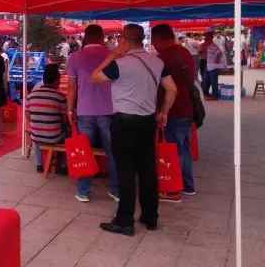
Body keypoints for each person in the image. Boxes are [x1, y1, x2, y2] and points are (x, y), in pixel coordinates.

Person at [91, 24, 177, 236]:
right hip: (148, 122)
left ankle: (124, 221)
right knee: (148, 170)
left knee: (126, 171)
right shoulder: (157, 62)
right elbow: (172, 89)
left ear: (124, 40)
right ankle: (150, 217)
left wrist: (113, 54)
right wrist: (163, 112)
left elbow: (95, 77)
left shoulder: (120, 64)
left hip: (124, 123)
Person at [66, 24, 119, 203]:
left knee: (83, 151)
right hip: (109, 110)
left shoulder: (75, 57)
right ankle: (115, 190)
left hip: (84, 110)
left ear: (86, 37)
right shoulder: (112, 55)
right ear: (101, 37)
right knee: (113, 152)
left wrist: (69, 108)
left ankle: (83, 191)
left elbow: (71, 87)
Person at [151, 24, 197, 203]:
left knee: (173, 151)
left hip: (172, 110)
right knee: (183, 148)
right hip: (187, 108)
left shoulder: (163, 58)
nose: (153, 45)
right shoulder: (184, 53)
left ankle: (174, 190)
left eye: (153, 41)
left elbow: (163, 88)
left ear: (159, 39)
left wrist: (162, 111)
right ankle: (188, 185)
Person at [26, 64, 66, 172]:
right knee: (66, 133)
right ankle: (61, 165)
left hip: (36, 135)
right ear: (56, 80)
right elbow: (64, 119)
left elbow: (28, 115)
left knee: (37, 135)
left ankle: (39, 164)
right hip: (54, 137)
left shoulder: (31, 95)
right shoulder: (60, 96)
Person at [201, 30, 225, 100]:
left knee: (213, 81)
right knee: (206, 80)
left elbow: (219, 53)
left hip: (213, 66)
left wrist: (216, 60)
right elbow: (202, 53)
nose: (205, 38)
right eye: (205, 37)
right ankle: (206, 94)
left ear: (210, 37)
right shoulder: (206, 44)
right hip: (208, 65)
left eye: (206, 37)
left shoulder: (213, 45)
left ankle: (215, 96)